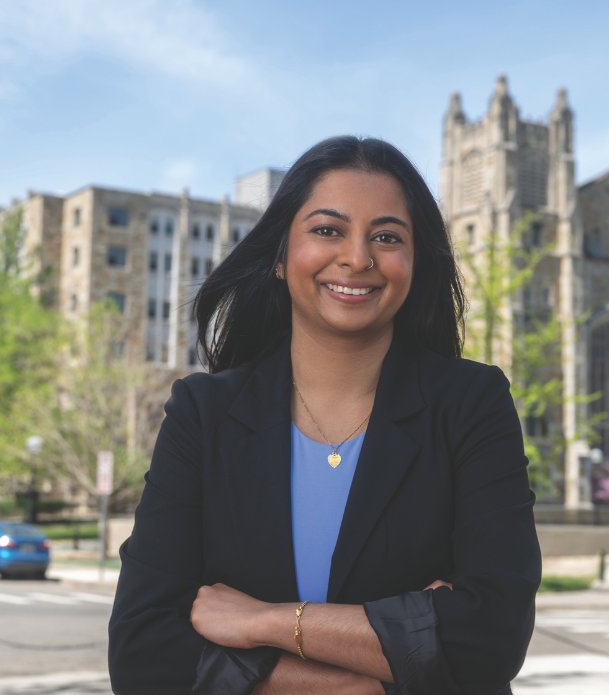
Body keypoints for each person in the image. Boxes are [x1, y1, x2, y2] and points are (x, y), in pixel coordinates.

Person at [108, 136, 541, 695]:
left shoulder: (471, 403)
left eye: (386, 237)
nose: (357, 257)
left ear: (415, 264)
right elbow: (142, 654)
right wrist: (359, 676)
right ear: (280, 257)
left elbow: (490, 638)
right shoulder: (204, 413)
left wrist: (265, 622)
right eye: (327, 230)